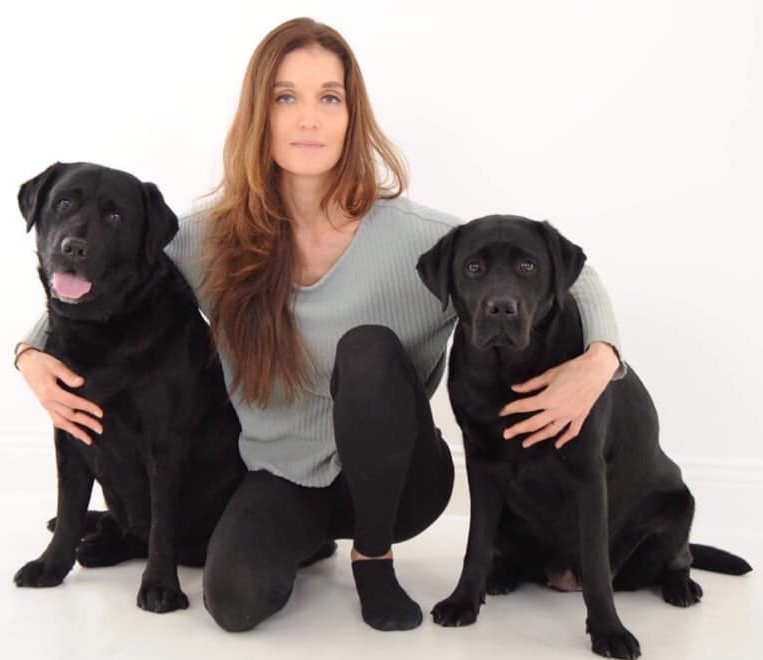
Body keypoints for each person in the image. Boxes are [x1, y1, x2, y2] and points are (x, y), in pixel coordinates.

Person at [14, 17, 624, 632]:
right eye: (287, 97)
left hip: (400, 484)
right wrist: (29, 353)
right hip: (280, 477)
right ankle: (308, 544)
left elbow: (567, 270)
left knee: (367, 350)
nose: (309, 118)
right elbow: (115, 274)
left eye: (329, 97)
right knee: (232, 602)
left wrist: (600, 361)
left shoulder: (422, 238)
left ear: (351, 115)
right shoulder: (216, 238)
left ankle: (373, 561)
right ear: (262, 115)